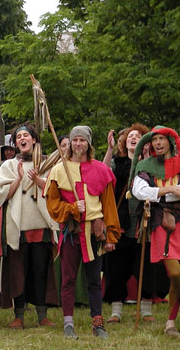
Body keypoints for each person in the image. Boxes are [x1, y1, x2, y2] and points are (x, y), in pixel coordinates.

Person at [45, 125, 120, 338]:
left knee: (94, 280)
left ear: (89, 144)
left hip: (93, 233)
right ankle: (68, 324)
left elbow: (109, 206)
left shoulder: (100, 170)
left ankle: (98, 324)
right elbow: (52, 204)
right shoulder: (60, 170)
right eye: (75, 140)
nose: (78, 144)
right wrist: (70, 208)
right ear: (70, 143)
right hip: (71, 232)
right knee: (68, 279)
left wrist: (110, 235)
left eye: (82, 140)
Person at [0, 123, 59, 329]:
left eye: (26, 135)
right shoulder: (9, 166)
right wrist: (18, 179)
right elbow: (1, 195)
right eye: (19, 137)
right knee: (18, 272)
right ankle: (18, 316)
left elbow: (56, 191)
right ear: (16, 143)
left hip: (42, 225)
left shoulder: (48, 164)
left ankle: (42, 316)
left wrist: (38, 180)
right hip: (18, 228)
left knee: (40, 271)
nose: (22, 139)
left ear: (34, 140)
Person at [102, 124, 166, 323]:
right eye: (130, 136)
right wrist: (110, 149)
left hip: (143, 222)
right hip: (120, 222)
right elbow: (103, 172)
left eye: (138, 136)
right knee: (117, 267)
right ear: (124, 142)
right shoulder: (117, 162)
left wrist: (147, 155)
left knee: (146, 267)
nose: (133, 138)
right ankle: (116, 312)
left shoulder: (150, 165)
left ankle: (146, 311)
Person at [129, 125, 180, 337]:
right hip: (161, 221)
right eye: (155, 139)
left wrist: (159, 192)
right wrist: (167, 190)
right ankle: (170, 321)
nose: (158, 143)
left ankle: (170, 322)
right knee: (176, 273)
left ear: (170, 142)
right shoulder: (145, 164)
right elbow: (139, 191)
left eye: (162, 139)